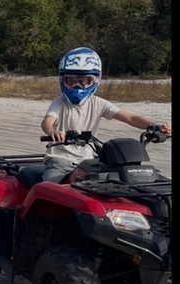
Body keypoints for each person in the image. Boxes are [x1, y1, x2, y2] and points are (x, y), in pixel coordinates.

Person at [40, 47, 171, 183]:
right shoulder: (59, 103)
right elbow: (47, 121)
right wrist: (52, 131)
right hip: (60, 161)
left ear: (95, 80)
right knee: (49, 188)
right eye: (71, 81)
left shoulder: (99, 103)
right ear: (62, 80)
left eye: (84, 81)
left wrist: (154, 126)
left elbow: (130, 118)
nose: (77, 86)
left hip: (89, 160)